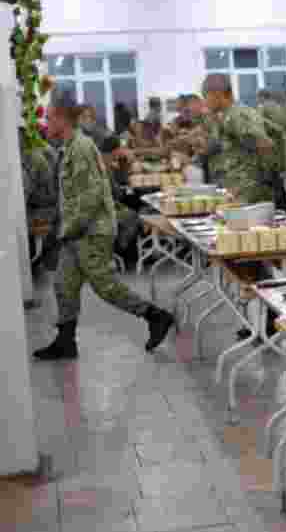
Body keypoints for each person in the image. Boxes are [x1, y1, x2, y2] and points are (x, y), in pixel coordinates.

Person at [33, 94, 175, 361]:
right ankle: (65, 341)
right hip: (77, 230)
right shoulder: (70, 146)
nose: (46, 122)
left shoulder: (81, 148)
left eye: (49, 116)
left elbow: (92, 196)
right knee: (63, 284)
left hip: (91, 230)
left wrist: (66, 229)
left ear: (62, 119)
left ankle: (155, 316)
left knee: (104, 286)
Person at [202, 74, 276, 204]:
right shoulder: (228, 115)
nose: (205, 102)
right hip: (236, 189)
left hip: (247, 193)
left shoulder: (238, 115)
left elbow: (265, 145)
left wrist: (253, 183)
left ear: (217, 94)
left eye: (206, 97)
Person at [20, 126, 60, 273]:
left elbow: (23, 195)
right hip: (49, 208)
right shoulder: (41, 151)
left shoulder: (32, 158)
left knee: (13, 226)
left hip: (43, 212)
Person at [99, 136, 142, 266]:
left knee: (131, 211)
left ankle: (121, 252)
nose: (123, 151)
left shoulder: (104, 160)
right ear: (116, 150)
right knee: (133, 216)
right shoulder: (105, 164)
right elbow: (116, 193)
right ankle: (122, 252)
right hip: (103, 209)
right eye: (121, 149)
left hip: (103, 205)